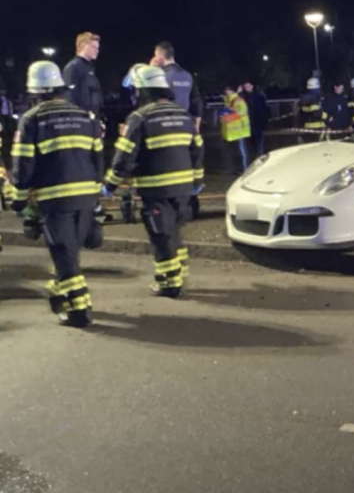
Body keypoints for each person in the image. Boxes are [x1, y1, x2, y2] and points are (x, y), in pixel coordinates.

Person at [10, 61, 104, 327]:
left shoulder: (32, 119)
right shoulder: (85, 116)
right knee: (69, 254)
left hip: (55, 199)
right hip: (86, 196)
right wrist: (97, 195)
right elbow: (98, 158)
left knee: (63, 253)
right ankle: (59, 289)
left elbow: (23, 164)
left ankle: (79, 309)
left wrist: (19, 199)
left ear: (35, 91)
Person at [104, 66, 203, 297]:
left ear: (143, 91)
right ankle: (179, 273)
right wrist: (196, 181)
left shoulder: (140, 118)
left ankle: (170, 282)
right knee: (174, 232)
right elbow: (197, 149)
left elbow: (125, 156)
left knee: (160, 235)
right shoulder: (183, 115)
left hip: (155, 189)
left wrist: (110, 184)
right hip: (184, 188)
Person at [152, 42, 204, 132]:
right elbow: (197, 101)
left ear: (159, 58)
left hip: (164, 126)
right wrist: (196, 126)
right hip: (185, 126)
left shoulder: (159, 76)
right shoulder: (187, 75)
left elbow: (146, 97)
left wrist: (150, 70)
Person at [62, 32, 103, 118]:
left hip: (90, 118)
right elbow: (69, 97)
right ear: (83, 46)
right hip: (79, 119)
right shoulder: (73, 67)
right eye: (93, 47)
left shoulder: (89, 68)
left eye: (97, 48)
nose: (97, 50)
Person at [220, 86, 251, 172]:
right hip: (230, 132)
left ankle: (245, 169)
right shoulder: (227, 101)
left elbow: (242, 113)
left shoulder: (238, 100)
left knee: (241, 151)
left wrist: (227, 117)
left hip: (239, 130)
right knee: (234, 152)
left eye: (227, 90)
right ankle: (235, 168)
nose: (226, 92)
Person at [242, 82, 270, 158]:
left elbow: (264, 109)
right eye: (245, 87)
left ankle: (259, 156)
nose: (247, 88)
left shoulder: (259, 95)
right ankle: (254, 155)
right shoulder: (244, 96)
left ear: (252, 86)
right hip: (249, 122)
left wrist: (264, 121)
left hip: (258, 121)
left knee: (259, 140)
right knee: (251, 142)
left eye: (248, 86)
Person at [299, 77, 327, 142]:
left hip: (307, 127)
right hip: (317, 127)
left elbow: (301, 114)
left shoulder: (303, 99)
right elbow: (316, 113)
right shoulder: (314, 99)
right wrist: (327, 117)